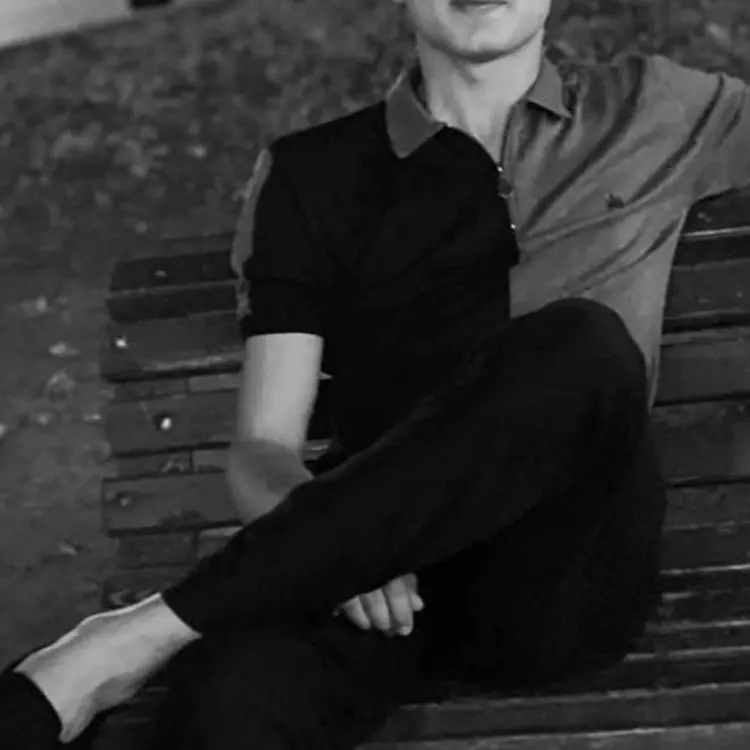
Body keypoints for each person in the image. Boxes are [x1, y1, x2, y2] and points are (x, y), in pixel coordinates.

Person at [3, 0, 750, 747]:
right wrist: (343, 553)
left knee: (582, 346)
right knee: (231, 697)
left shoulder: (656, 108)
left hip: (562, 570)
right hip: (376, 577)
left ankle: (130, 639)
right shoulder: (312, 174)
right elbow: (263, 448)